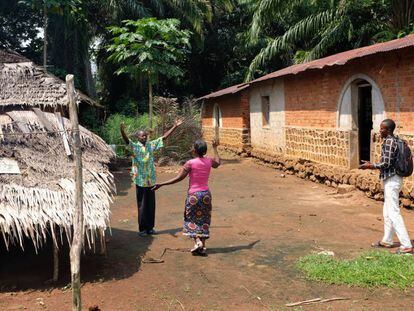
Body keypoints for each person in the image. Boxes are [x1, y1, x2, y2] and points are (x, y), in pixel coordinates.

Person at [152, 139, 221, 256]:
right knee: (204, 219)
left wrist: (162, 184)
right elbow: (218, 163)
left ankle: (198, 241)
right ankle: (202, 247)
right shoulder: (209, 161)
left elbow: (178, 178)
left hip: (194, 195)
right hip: (206, 195)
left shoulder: (190, 163)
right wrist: (215, 148)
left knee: (191, 218)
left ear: (194, 150)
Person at [120, 119, 183, 237]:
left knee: (151, 205)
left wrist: (174, 126)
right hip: (140, 181)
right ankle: (142, 229)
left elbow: (163, 138)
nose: (144, 137)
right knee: (142, 205)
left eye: (145, 136)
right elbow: (126, 140)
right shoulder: (134, 147)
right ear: (138, 138)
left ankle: (150, 227)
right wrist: (122, 131)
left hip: (151, 181)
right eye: (142, 136)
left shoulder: (150, 145)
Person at [359, 119, 413, 254]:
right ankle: (387, 240)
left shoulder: (389, 141)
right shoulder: (395, 140)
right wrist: (372, 163)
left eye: (382, 128)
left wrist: (371, 166)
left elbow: (386, 163)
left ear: (388, 130)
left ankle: (406, 245)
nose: (380, 131)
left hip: (392, 180)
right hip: (392, 179)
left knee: (393, 212)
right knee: (387, 211)